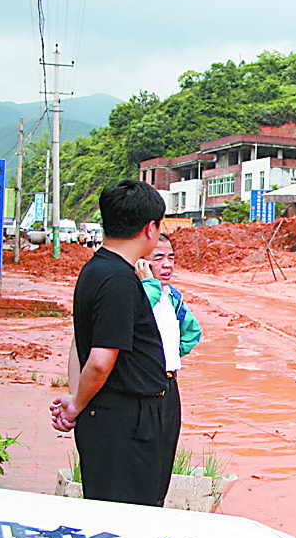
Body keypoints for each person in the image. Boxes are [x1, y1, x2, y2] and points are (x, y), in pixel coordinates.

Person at [50, 179, 177, 507]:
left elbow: (82, 343)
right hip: (126, 421)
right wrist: (76, 404)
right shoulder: (118, 280)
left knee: (112, 511)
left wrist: (76, 398)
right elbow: (100, 359)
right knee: (129, 516)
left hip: (113, 414)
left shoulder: (97, 269)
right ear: (151, 228)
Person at [140, 233, 202, 365]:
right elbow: (134, 314)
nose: (167, 265)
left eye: (171, 258)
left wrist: (170, 354)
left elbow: (192, 332)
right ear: (141, 263)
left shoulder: (172, 297)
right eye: (158, 259)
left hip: (166, 379)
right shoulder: (133, 293)